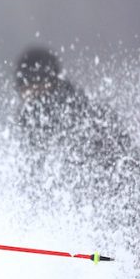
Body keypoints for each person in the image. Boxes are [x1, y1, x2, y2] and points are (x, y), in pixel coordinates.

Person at [13, 45, 138, 200]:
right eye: (25, 90)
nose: (30, 96)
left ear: (50, 83)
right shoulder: (32, 119)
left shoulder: (84, 114)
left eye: (34, 88)